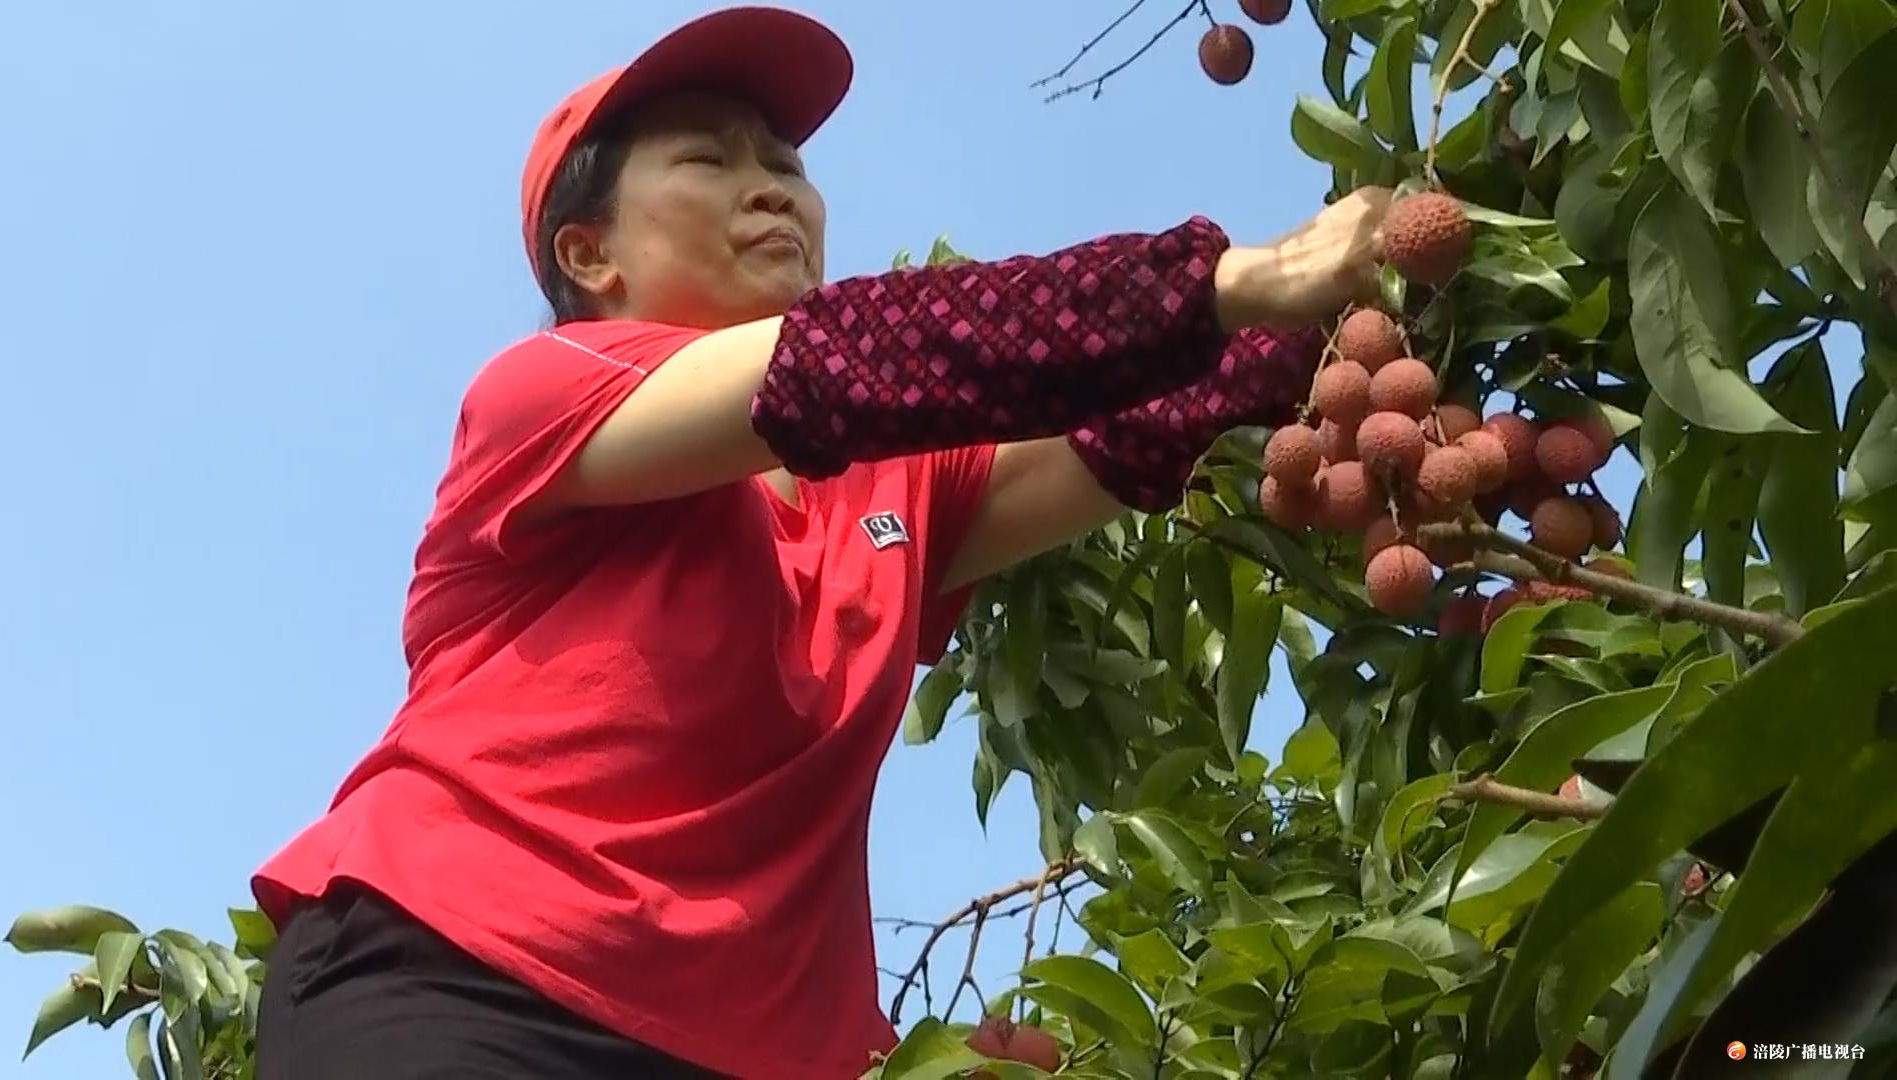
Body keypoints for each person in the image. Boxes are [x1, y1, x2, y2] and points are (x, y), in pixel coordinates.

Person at [247, 5, 1390, 1078]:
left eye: (786, 165)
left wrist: (1362, 297)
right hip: (458, 978)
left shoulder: (889, 485)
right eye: (709, 160)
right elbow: (862, 361)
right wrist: (1239, 279)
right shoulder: (539, 396)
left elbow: (1127, 441)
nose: (772, 189)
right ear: (591, 258)